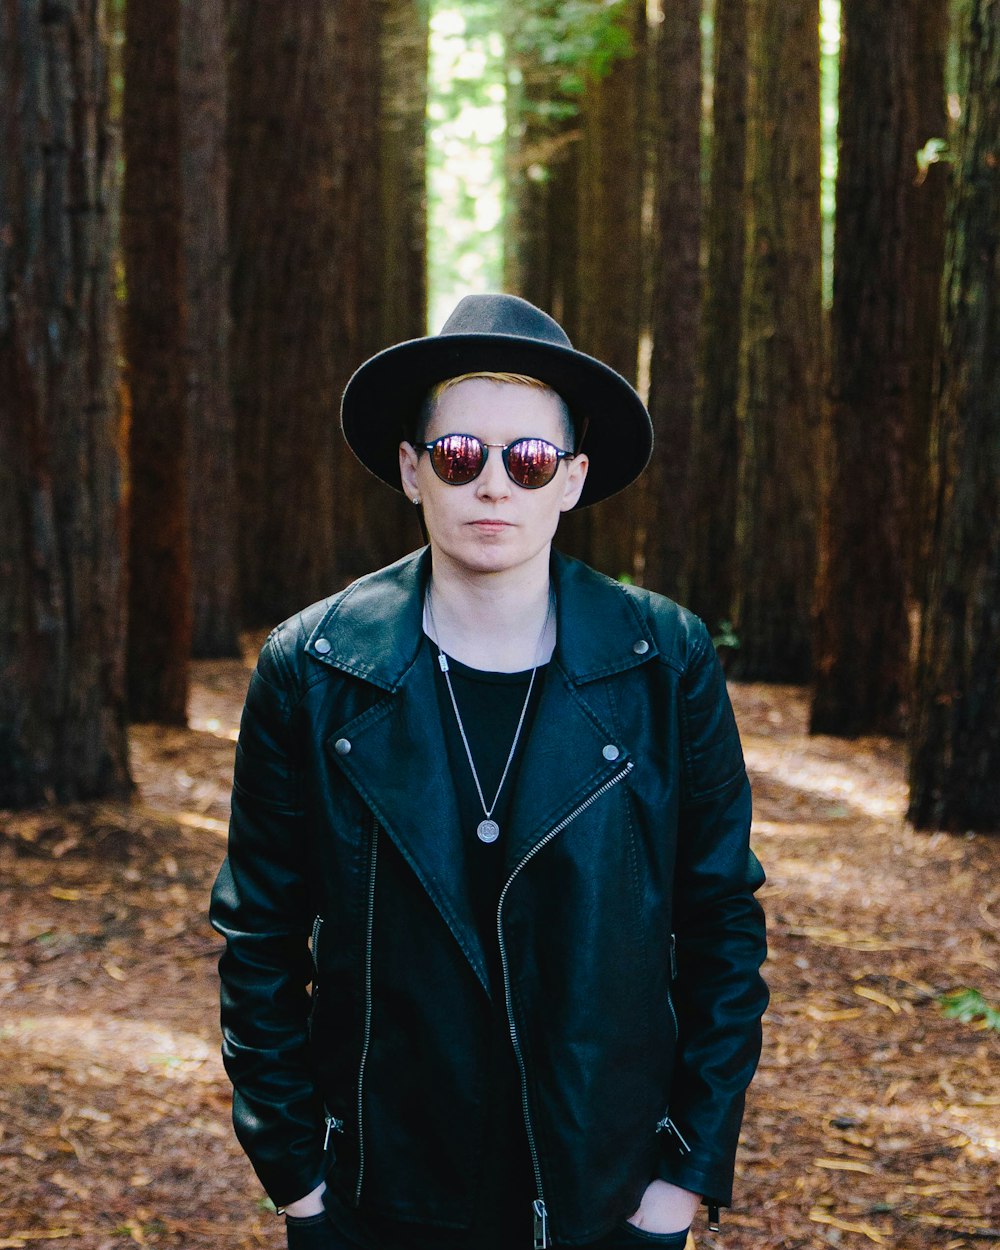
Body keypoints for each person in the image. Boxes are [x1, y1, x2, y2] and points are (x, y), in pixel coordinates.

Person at [210, 294, 768, 1250]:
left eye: (530, 459)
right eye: (461, 455)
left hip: (604, 1183)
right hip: (380, 1187)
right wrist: (300, 1182)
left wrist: (680, 1179)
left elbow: (720, 924)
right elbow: (258, 937)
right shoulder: (311, 668)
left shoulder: (664, 663)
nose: (494, 486)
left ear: (572, 479)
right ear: (412, 470)